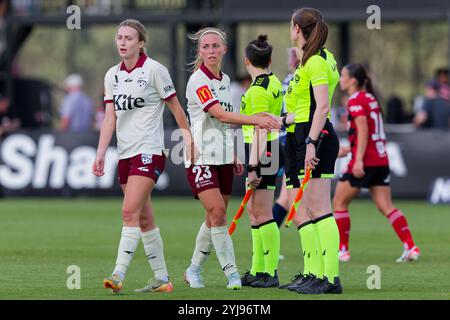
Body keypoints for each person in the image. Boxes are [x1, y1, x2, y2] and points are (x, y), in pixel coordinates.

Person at [92, 19, 196, 294]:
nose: (123, 42)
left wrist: (188, 138)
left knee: (128, 211)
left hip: (149, 151)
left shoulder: (154, 70)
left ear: (141, 44)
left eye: (128, 38)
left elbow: (176, 108)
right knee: (143, 219)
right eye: (119, 38)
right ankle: (162, 279)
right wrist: (101, 152)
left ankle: (117, 274)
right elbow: (110, 118)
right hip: (125, 155)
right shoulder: (111, 75)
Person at [183, 27, 280, 290]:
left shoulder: (225, 80)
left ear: (224, 49)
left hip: (223, 155)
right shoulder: (198, 81)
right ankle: (232, 274)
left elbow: (224, 125)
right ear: (200, 51)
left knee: (215, 216)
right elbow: (221, 115)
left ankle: (193, 269)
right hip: (200, 157)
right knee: (216, 212)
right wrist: (257, 119)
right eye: (206, 47)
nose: (211, 51)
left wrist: (233, 152)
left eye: (216, 46)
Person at [279, 7, 342, 294]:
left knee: (319, 208)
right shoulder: (317, 59)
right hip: (303, 131)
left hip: (313, 135)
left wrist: (310, 143)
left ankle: (330, 278)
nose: (290, 30)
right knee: (306, 208)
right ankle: (315, 273)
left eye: (292, 26)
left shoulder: (316, 61)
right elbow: (304, 109)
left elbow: (322, 107)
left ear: (297, 29)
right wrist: (281, 121)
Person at [333, 63, 420, 263]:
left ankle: (343, 251)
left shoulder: (355, 100)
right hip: (380, 159)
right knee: (386, 206)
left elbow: (363, 131)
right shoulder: (371, 98)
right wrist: (351, 149)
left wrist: (358, 160)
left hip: (365, 161)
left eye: (343, 75)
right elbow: (367, 133)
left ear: (353, 81)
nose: (340, 79)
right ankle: (410, 246)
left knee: (339, 203)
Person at [238, 35, 285, 288]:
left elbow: (260, 129)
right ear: (269, 60)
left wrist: (253, 167)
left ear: (247, 60)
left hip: (263, 149)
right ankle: (258, 269)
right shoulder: (274, 81)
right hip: (268, 148)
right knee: (254, 210)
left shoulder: (257, 90)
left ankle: (269, 272)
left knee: (263, 212)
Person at [272, 47, 300, 229]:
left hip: (284, 139)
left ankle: (267, 244)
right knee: (302, 203)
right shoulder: (297, 80)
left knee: (285, 198)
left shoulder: (287, 79)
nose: (289, 61)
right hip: (296, 140)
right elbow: (300, 113)